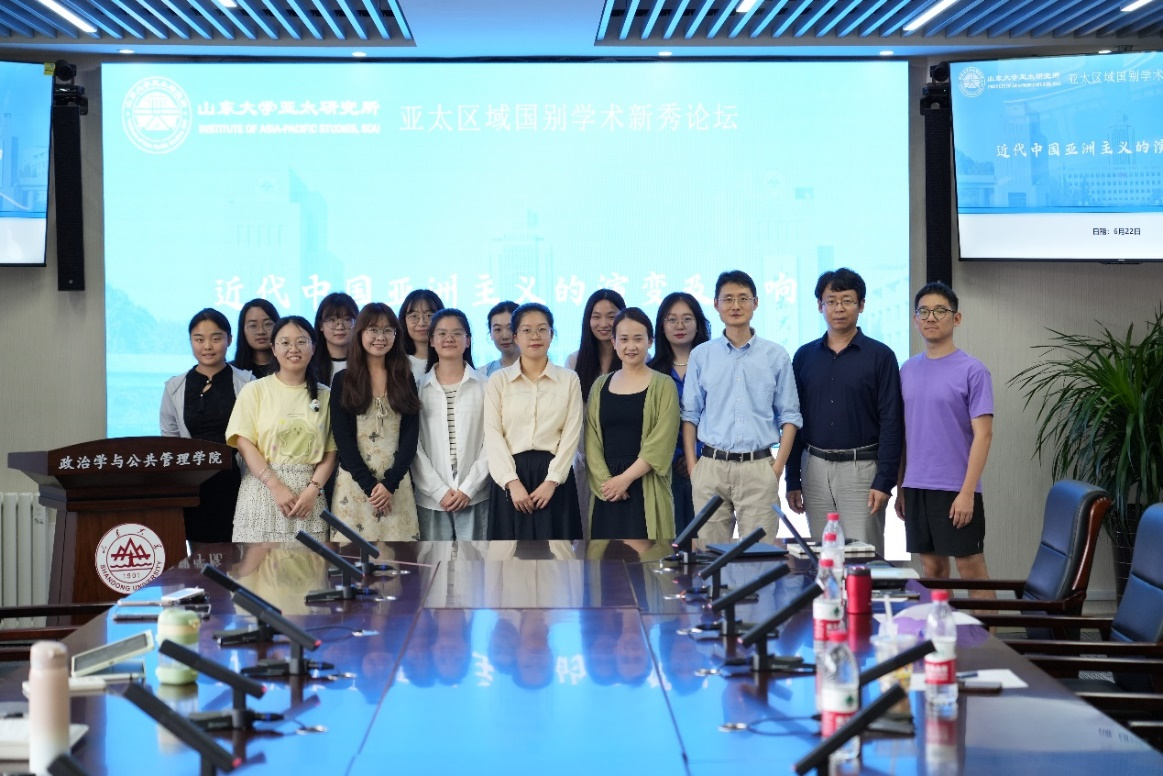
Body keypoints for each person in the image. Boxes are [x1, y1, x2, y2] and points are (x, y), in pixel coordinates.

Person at [785, 268, 903, 557]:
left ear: (861, 305)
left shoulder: (881, 356)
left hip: (862, 470)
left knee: (863, 557)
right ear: (820, 305)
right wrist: (792, 480)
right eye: (831, 301)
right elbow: (794, 420)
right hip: (814, 468)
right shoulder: (804, 356)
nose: (839, 308)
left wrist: (884, 481)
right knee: (823, 556)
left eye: (847, 300)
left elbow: (892, 421)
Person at [681, 270, 802, 543]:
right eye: (728, 299)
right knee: (710, 556)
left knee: (760, 556)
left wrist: (776, 469)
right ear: (716, 304)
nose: (735, 305)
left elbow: (790, 416)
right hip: (711, 468)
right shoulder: (701, 355)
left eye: (743, 298)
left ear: (755, 303)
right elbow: (690, 415)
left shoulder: (775, 355)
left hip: (758, 468)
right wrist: (694, 468)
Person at [896, 281, 994, 594]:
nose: (931, 317)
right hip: (916, 486)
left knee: (970, 568)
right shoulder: (907, 370)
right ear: (915, 320)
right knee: (933, 569)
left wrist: (967, 493)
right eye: (923, 311)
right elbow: (904, 434)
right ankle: (943, 627)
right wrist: (901, 487)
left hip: (956, 488)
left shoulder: (973, 370)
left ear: (956, 318)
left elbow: (984, 435)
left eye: (940, 311)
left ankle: (985, 630)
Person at [226, 316, 337, 542]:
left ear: (314, 348)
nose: (293, 349)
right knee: (257, 564)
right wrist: (275, 485)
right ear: (273, 349)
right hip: (262, 490)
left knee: (309, 563)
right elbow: (244, 442)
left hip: (309, 498)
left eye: (301, 342)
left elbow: (331, 450)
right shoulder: (255, 390)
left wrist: (313, 490)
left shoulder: (326, 395)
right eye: (285, 342)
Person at [484, 303, 583, 540]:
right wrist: (511, 482)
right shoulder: (498, 380)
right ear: (515, 337)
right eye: (527, 330)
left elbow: (571, 434)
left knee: (557, 556)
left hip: (554, 479)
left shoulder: (569, 379)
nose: (535, 336)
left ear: (552, 334)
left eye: (542, 329)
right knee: (509, 556)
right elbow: (493, 434)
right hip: (511, 478)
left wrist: (552, 481)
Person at [585, 308, 680, 539]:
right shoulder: (599, 385)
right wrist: (608, 483)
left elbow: (661, 442)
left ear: (650, 341)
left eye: (638, 339)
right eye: (624, 339)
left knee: (649, 557)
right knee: (604, 558)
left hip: (645, 483)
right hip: (607, 489)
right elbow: (591, 440)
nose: (631, 346)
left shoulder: (664, 385)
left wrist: (625, 479)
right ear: (614, 342)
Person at [160, 308, 253, 543]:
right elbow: (170, 438)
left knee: (239, 555)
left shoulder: (247, 383)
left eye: (216, 338)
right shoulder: (174, 387)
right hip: (194, 484)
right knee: (200, 556)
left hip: (236, 481)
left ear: (229, 339)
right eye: (199, 339)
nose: (207, 346)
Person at [330, 303, 422, 540]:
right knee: (351, 557)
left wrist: (389, 485)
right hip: (355, 485)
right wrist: (371, 486)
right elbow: (343, 439)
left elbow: (410, 436)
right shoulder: (343, 380)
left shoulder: (404, 378)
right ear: (360, 333)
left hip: (396, 485)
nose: (381, 337)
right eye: (373, 330)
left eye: (388, 330)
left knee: (399, 558)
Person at [413, 309, 491, 540]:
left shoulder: (486, 386)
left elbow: (493, 441)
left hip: (475, 495)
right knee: (433, 561)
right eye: (442, 333)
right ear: (431, 341)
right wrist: (438, 490)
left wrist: (469, 488)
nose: (449, 339)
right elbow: (413, 445)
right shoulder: (417, 388)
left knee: (475, 561)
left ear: (468, 340)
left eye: (457, 333)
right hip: (431, 497)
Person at [648, 292, 712, 536]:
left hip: (710, 467)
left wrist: (697, 456)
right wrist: (677, 458)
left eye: (687, 318)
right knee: (670, 543)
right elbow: (649, 426)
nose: (679, 325)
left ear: (699, 324)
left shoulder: (714, 366)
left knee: (709, 542)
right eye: (671, 319)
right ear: (661, 326)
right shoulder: (651, 372)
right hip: (666, 471)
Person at [566, 289, 626, 527]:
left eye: (611, 316)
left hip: (625, 464)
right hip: (586, 462)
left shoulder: (638, 357)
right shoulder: (574, 361)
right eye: (596, 316)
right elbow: (573, 417)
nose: (604, 323)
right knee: (588, 532)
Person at [312, 292, 359, 385]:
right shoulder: (310, 364)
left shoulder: (366, 363)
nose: (340, 327)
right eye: (332, 320)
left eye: (347, 319)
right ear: (321, 325)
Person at [400, 289, 445, 381]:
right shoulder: (396, 363)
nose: (422, 323)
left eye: (429, 316)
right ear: (404, 321)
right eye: (414, 316)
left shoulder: (450, 359)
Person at [231, 298, 279, 378]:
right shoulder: (232, 371)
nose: (261, 331)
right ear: (242, 330)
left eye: (267, 324)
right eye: (253, 326)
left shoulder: (289, 367)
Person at [482, 301, 520, 377]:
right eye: (498, 329)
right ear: (491, 334)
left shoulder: (540, 368)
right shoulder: (484, 373)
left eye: (510, 328)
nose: (505, 336)